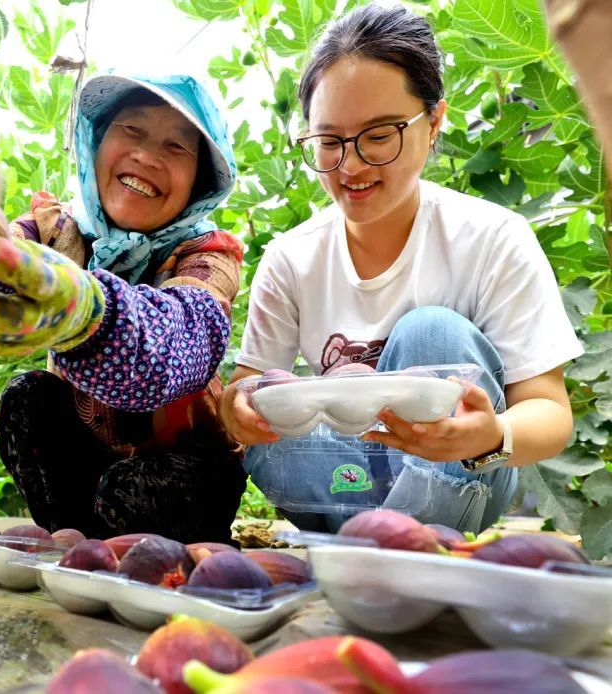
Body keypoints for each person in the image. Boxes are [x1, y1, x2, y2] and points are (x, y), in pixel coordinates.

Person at [219, 5, 583, 533]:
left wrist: (487, 435)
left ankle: (409, 541)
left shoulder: (492, 238)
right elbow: (249, 395)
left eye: (379, 135)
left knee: (431, 332)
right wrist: (241, 408)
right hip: (343, 474)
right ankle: (373, 532)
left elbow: (549, 414)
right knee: (270, 409)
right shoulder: (292, 257)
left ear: (434, 122)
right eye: (329, 141)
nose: (351, 165)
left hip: (462, 471)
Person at [0, 73, 247, 544]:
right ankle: (76, 541)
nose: (147, 155)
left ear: (200, 184)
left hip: (185, 471)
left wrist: (89, 311)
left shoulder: (207, 255)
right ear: (96, 142)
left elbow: (182, 339)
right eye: (131, 131)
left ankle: (148, 549)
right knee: (27, 398)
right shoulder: (51, 230)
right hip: (91, 460)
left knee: (133, 489)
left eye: (177, 147)